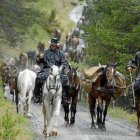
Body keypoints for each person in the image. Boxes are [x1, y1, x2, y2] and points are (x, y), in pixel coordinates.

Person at [34, 37, 70, 103]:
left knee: (66, 80)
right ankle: (37, 95)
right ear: (50, 45)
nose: (53, 46)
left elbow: (65, 63)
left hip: (58, 70)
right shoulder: (46, 52)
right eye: (52, 45)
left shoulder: (61, 53)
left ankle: (65, 97)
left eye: (54, 45)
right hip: (47, 69)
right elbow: (39, 61)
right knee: (38, 77)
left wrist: (62, 67)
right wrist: (39, 58)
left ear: (57, 46)